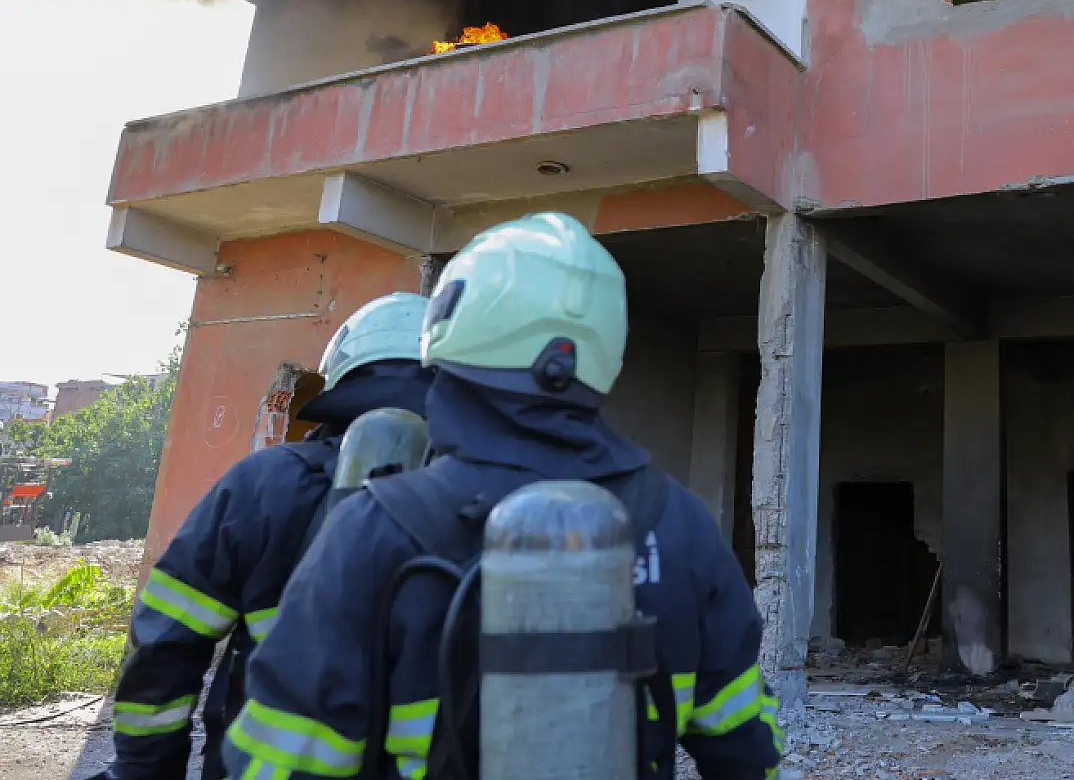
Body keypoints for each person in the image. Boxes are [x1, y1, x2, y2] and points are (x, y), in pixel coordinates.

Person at [225, 213, 781, 780]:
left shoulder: (372, 527)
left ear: (454, 327)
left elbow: (280, 761)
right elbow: (745, 750)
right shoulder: (682, 526)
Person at [99, 292, 433, 780]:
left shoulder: (262, 485)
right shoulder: (479, 494)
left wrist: (144, 769)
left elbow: (165, 645)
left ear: (339, 372)